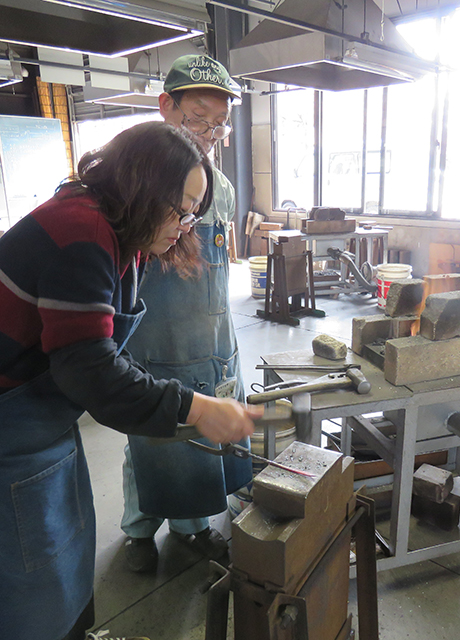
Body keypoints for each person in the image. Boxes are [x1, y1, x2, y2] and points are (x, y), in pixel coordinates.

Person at [0, 121, 261, 640]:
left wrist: (182, 400)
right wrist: (196, 408)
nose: (185, 226)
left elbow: (96, 351)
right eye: (180, 210)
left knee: (65, 547)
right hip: (11, 423)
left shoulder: (126, 240)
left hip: (42, 419)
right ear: (143, 187)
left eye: (193, 213)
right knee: (31, 579)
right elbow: (90, 370)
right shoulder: (82, 230)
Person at [120, 54, 251, 573]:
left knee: (201, 443)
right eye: (198, 119)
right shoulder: (135, 182)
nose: (210, 134)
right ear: (165, 107)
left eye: (219, 124)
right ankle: (138, 531)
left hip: (213, 339)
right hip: (156, 341)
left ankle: (191, 527)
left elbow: (220, 268)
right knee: (152, 443)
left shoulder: (223, 189)